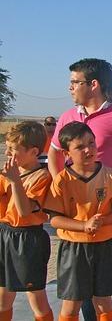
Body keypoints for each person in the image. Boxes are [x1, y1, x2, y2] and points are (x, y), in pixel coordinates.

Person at [47, 58, 112, 321]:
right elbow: (54, 152)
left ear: (94, 84)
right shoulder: (68, 117)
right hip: (80, 216)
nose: (70, 88)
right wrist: (62, 184)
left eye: (75, 82)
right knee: (86, 284)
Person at [43, 122, 112, 321]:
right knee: (72, 303)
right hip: (74, 248)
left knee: (104, 302)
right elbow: (55, 220)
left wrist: (105, 220)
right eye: (80, 147)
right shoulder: (62, 181)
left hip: (105, 246)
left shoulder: (111, 176)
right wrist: (83, 225)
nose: (88, 149)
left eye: (91, 143)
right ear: (66, 153)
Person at [0, 121, 53, 320]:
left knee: (35, 296)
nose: (7, 153)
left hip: (28, 239)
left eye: (13, 149)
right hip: (5, 233)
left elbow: (24, 211)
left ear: (33, 152)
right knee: (3, 295)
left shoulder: (41, 176)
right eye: (7, 147)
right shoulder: (10, 173)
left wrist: (14, 182)